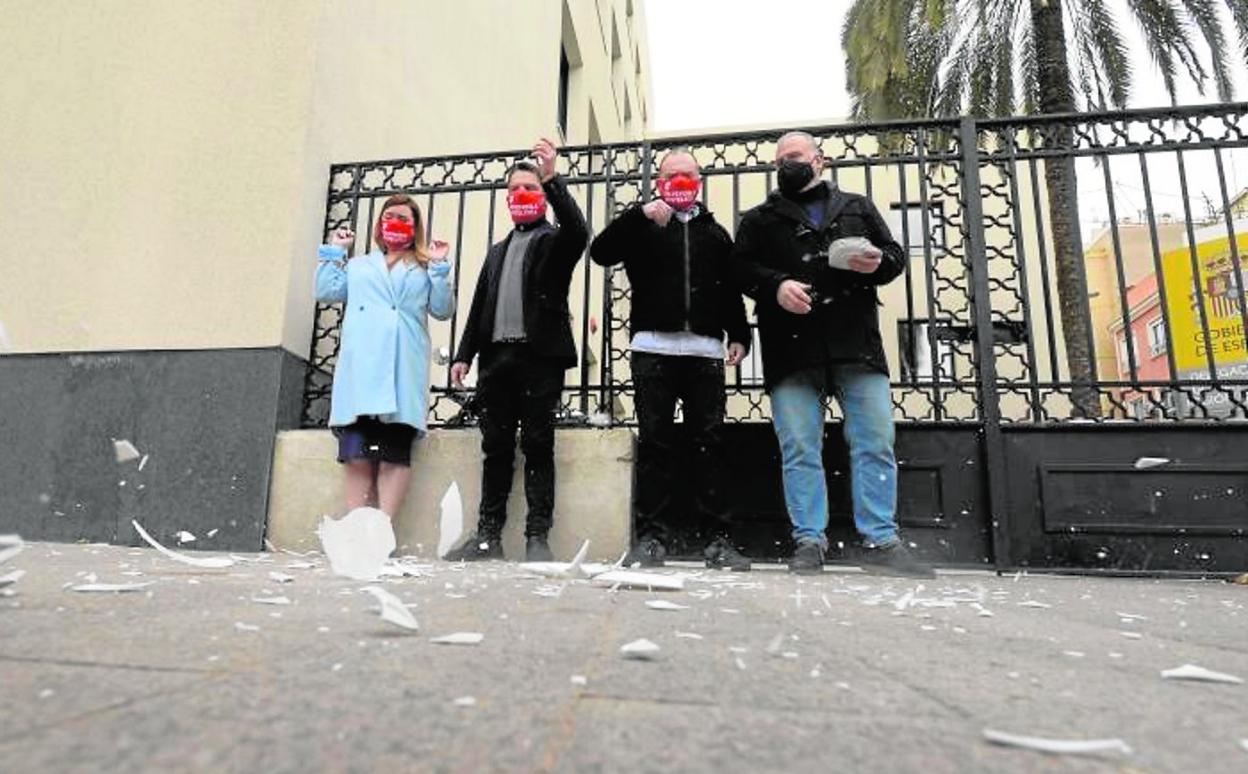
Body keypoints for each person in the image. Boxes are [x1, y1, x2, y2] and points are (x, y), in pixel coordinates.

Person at [730, 131, 934, 578]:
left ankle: (881, 541)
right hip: (790, 349)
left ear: (819, 161)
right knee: (800, 446)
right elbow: (739, 269)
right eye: (781, 159)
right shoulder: (759, 219)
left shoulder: (857, 206)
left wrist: (878, 262)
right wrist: (774, 286)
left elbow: (895, 257)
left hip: (856, 344)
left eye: (796, 157)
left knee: (875, 442)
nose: (787, 164)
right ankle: (809, 541)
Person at [589, 148, 753, 571]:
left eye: (687, 175)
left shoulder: (715, 233)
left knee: (710, 445)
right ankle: (651, 539)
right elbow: (601, 252)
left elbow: (729, 288)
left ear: (698, 181)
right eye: (670, 175)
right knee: (655, 445)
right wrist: (640, 215)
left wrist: (739, 334)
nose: (679, 181)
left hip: (704, 353)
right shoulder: (643, 225)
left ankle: (718, 539)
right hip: (652, 351)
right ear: (658, 181)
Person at [446, 138, 588, 562]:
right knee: (496, 449)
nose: (521, 196)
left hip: (539, 359)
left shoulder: (554, 242)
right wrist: (463, 355)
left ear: (542, 195)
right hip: (496, 361)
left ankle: (536, 538)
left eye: (530, 189)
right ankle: (488, 537)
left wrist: (553, 178)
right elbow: (478, 307)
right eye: (515, 191)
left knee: (539, 446)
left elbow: (579, 232)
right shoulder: (496, 251)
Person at [315, 195, 455, 518]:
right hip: (362, 364)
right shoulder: (360, 265)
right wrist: (335, 250)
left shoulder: (422, 267)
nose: (396, 222)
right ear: (379, 223)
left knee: (394, 452)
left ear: (416, 227)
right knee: (356, 452)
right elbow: (326, 291)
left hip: (400, 365)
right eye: (390, 216)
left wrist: (438, 268)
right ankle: (356, 528)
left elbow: (443, 309)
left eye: (405, 219)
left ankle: (382, 530)